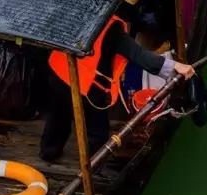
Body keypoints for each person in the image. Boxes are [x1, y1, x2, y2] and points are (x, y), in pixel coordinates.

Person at [40, 10, 195, 162]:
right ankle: (94, 165)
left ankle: (48, 152)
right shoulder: (111, 27)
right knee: (97, 132)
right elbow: (139, 55)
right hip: (86, 85)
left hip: (58, 70)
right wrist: (176, 67)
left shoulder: (76, 11)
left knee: (59, 116)